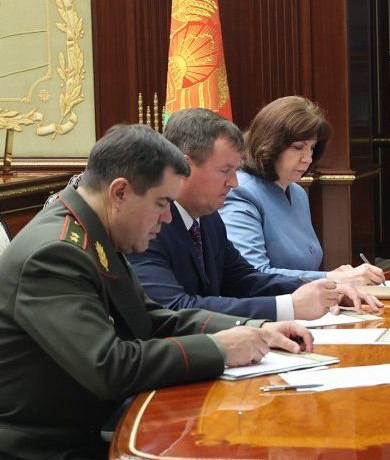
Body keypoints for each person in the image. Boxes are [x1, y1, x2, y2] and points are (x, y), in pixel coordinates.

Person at [0, 125, 312, 457]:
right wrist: (218, 350)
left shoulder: (94, 228)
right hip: (44, 448)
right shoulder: (55, 254)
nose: (166, 218)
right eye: (161, 203)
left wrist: (253, 330)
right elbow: (110, 367)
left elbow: (149, 318)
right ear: (120, 192)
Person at [128, 109, 381, 321]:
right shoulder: (148, 222)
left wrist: (326, 291)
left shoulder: (208, 217)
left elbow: (242, 279)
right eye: (225, 170)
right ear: (184, 166)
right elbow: (174, 308)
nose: (234, 182)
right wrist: (289, 307)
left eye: (236, 170)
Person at [219, 96, 383, 284]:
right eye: (298, 148)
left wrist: (333, 279)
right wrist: (333, 278)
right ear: (270, 144)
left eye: (312, 148)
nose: (307, 158)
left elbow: (304, 269)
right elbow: (254, 274)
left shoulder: (296, 192)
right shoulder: (240, 192)